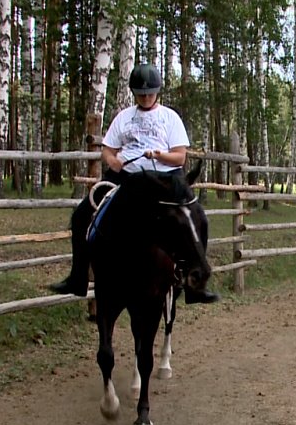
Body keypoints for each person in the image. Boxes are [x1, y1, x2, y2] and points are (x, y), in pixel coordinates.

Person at [48, 64, 220, 304]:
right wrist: (113, 161)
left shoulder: (169, 117)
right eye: (141, 94)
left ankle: (196, 282)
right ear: (134, 93)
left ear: (157, 92)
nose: (146, 98)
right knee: (81, 214)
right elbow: (108, 150)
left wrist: (159, 155)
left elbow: (180, 157)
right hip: (129, 177)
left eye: (150, 94)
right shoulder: (124, 117)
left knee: (198, 217)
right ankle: (77, 277)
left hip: (165, 178)